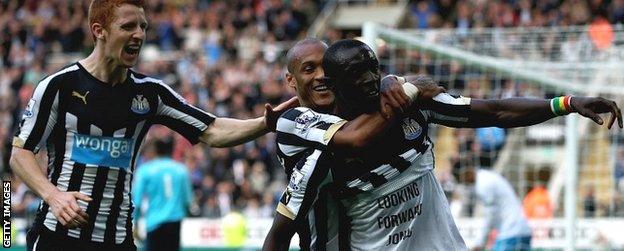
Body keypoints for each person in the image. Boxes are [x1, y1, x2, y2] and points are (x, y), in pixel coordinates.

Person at [9, 1, 295, 250]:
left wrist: (263, 124)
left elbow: (212, 130)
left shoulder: (150, 94)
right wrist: (53, 196)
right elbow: (20, 154)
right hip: (58, 237)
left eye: (143, 27)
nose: (139, 35)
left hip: (117, 239)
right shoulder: (59, 86)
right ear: (99, 30)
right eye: (128, 26)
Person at [322, 39, 621, 251]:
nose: (370, 78)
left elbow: (495, 110)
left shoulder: (413, 105)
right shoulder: (320, 141)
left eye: (373, 67)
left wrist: (565, 103)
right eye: (355, 73)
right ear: (332, 85)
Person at [262, 38, 444, 251]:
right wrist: (410, 89)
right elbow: (355, 138)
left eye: (326, 68)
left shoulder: (354, 112)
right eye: (309, 69)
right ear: (291, 80)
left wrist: (391, 82)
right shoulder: (293, 121)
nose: (322, 76)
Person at [453, 161, 532, 251]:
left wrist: (480, 243)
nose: (464, 184)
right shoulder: (486, 176)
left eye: (461, 180)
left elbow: (489, 217)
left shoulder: (483, 185)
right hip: (524, 230)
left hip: (511, 232)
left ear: (466, 173)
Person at [132, 138, 192, 251]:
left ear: (153, 151)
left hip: (154, 222)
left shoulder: (145, 170)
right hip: (175, 222)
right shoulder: (181, 169)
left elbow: (137, 201)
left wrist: (135, 224)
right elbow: (188, 200)